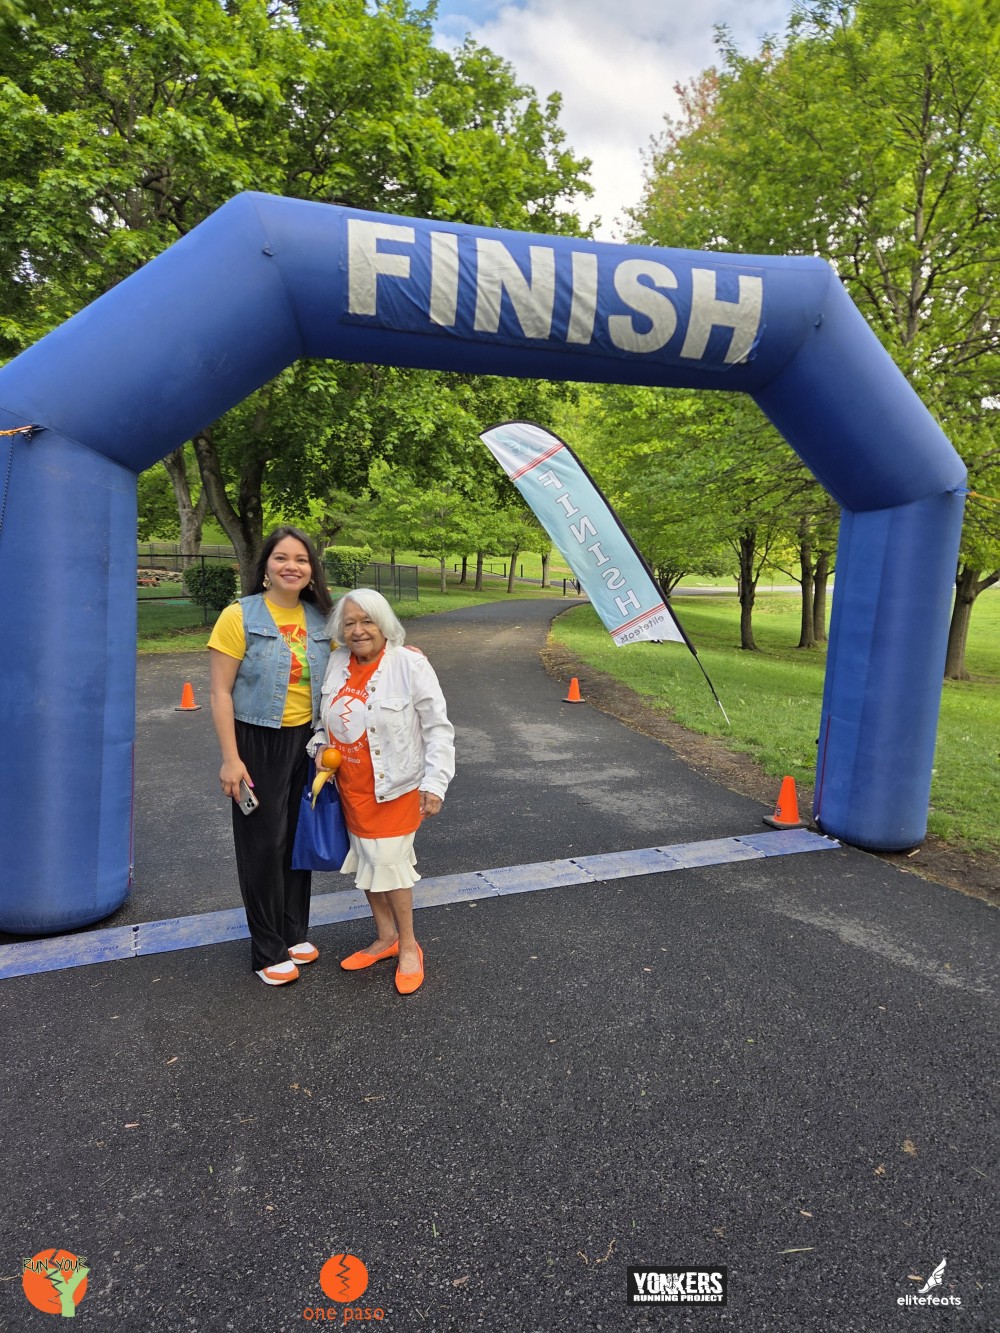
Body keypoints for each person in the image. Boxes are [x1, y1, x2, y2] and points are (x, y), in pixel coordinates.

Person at [312, 588, 455, 995]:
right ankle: (385, 936)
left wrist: (435, 783)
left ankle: (409, 946)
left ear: (384, 624)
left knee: (390, 866)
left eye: (367, 621)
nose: (358, 631)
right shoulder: (337, 662)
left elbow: (438, 728)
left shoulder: (409, 664)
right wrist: (319, 746)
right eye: (350, 623)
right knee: (367, 864)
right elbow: (323, 722)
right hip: (350, 789)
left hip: (395, 789)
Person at [208, 527, 333, 986]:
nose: (291, 566)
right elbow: (220, 692)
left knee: (297, 838)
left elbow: (363, 652)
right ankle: (267, 949)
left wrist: (401, 653)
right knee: (262, 844)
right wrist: (231, 758)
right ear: (265, 566)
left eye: (301, 559)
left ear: (311, 569)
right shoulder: (240, 615)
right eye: (281, 558)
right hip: (256, 740)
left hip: (308, 741)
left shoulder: (323, 619)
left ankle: (293, 931)